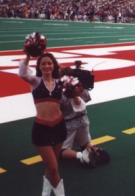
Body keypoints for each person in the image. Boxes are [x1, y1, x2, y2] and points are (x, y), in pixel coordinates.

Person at [18, 52, 67, 196]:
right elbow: (22, 74)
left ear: (54, 65)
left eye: (50, 63)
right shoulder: (36, 81)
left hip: (59, 127)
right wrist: (28, 55)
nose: (47, 66)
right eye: (43, 64)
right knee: (52, 168)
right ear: (39, 66)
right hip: (41, 128)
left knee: (52, 166)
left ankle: (45, 193)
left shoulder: (60, 83)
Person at [58, 67, 110, 168]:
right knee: (85, 143)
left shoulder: (61, 91)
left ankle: (81, 156)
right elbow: (86, 98)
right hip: (83, 121)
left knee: (61, 152)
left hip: (68, 125)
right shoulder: (80, 88)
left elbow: (58, 107)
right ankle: (95, 149)